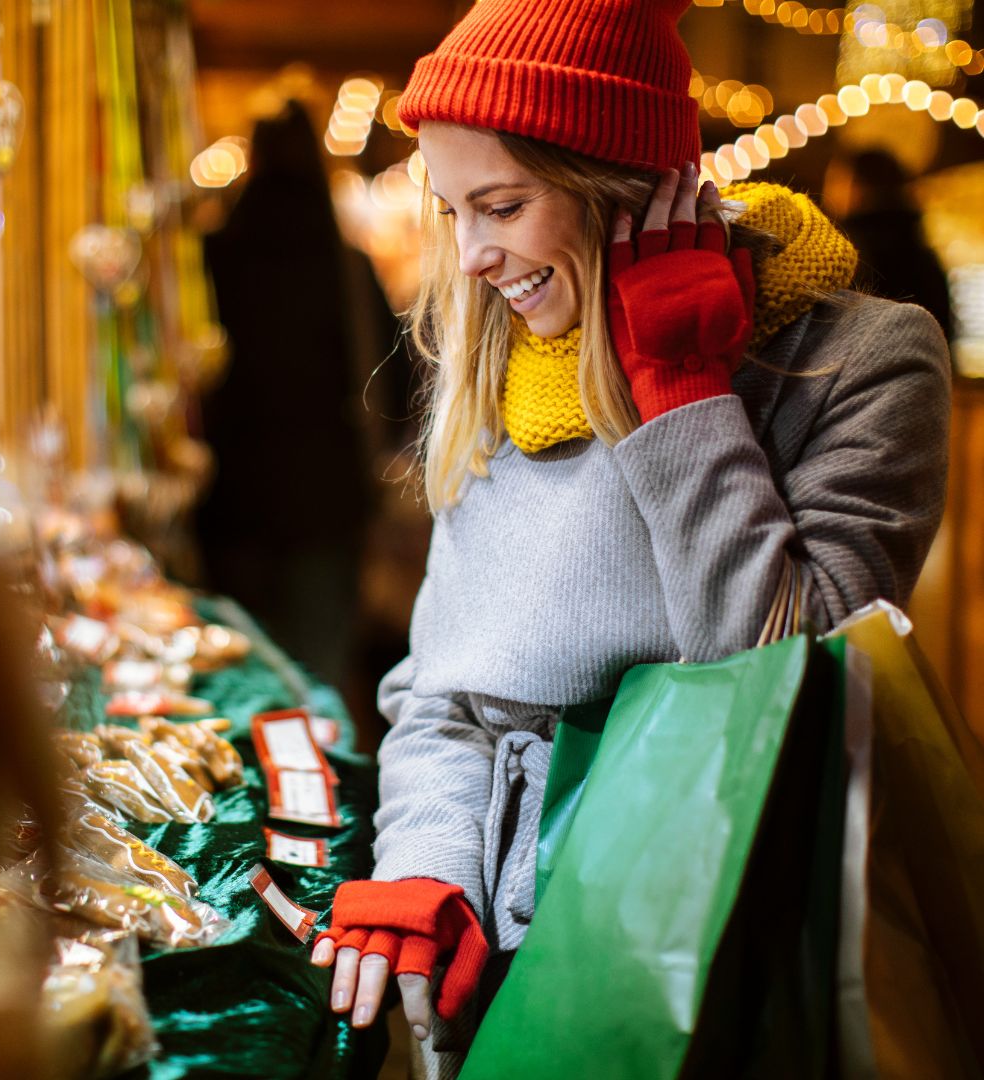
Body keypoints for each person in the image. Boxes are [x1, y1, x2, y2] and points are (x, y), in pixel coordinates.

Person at [309, 0, 951, 1074]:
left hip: (740, 952)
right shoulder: (498, 362)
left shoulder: (866, 359)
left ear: (624, 187)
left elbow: (793, 687)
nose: (471, 257)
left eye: (502, 205)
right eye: (454, 210)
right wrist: (427, 865)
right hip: (513, 958)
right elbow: (446, 695)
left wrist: (682, 394)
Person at [199, 100, 402, 690]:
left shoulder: (215, 254)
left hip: (232, 497)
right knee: (316, 672)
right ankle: (314, 775)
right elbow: (394, 377)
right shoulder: (347, 264)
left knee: (238, 667)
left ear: (254, 158)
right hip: (326, 500)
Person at [824, 146, 952, 339]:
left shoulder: (844, 250)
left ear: (858, 186)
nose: (829, 189)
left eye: (836, 179)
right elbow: (944, 325)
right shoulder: (918, 247)